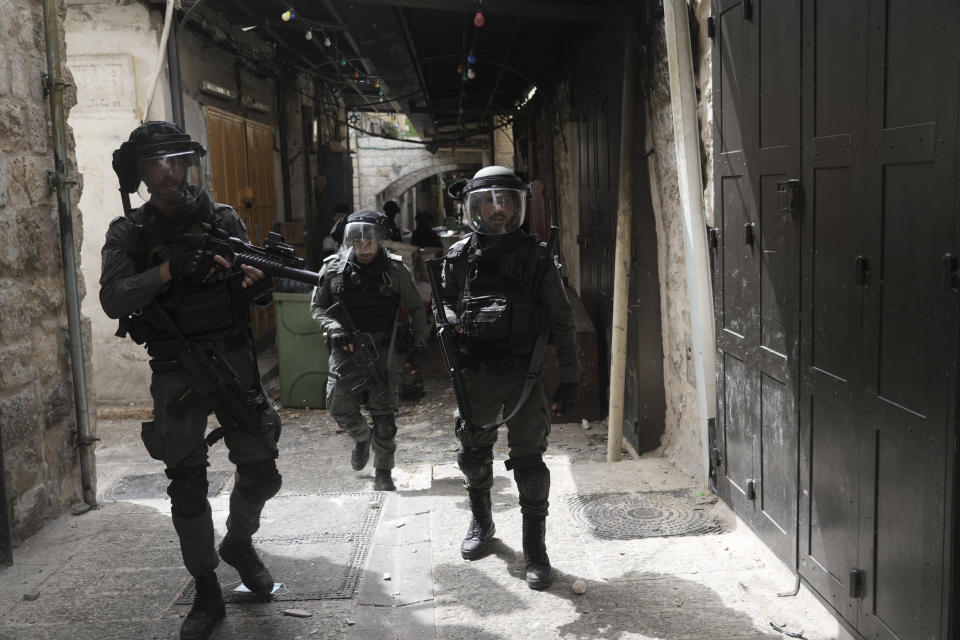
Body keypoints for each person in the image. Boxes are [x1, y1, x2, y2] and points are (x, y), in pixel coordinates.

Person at [99, 122, 283, 640]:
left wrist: (260, 286)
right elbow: (113, 298)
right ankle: (205, 587)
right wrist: (170, 270)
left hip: (231, 356)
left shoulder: (223, 220)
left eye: (176, 161)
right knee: (186, 482)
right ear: (141, 173)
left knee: (263, 470)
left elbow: (252, 289)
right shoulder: (128, 233)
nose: (167, 172)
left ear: (188, 165)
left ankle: (239, 543)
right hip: (176, 365)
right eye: (156, 164)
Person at [435, 166, 580, 590]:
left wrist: (570, 378)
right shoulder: (459, 256)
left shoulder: (537, 259)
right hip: (475, 373)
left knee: (531, 466)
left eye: (506, 201)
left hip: (525, 375)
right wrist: (446, 318)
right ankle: (482, 525)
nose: (497, 210)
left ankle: (535, 550)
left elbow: (563, 321)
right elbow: (440, 303)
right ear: (474, 207)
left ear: (518, 207)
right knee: (474, 457)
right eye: (488, 202)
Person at [310, 209, 428, 491]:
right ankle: (362, 438)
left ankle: (384, 471)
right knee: (338, 406)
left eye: (369, 241)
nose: (363, 247)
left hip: (383, 350)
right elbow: (317, 307)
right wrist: (333, 327)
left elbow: (416, 308)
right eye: (357, 241)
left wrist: (419, 345)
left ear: (380, 240)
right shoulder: (333, 268)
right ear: (349, 241)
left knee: (385, 415)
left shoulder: (396, 271)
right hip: (345, 349)